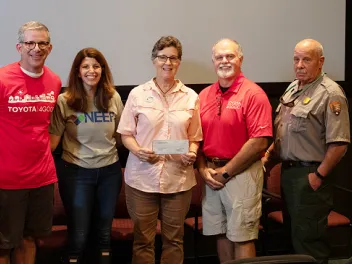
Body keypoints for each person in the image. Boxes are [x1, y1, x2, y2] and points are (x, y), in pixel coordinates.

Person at [117, 36, 202, 264]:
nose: (168, 62)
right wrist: (137, 150)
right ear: (154, 60)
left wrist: (192, 152)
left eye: (173, 58)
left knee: (174, 240)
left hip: (179, 179)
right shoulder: (137, 94)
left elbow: (195, 138)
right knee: (143, 240)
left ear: (179, 62)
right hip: (142, 178)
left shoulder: (191, 97)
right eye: (163, 57)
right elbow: (126, 134)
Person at [264, 39, 350, 264]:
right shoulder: (294, 87)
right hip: (289, 174)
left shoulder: (331, 93)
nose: (299, 65)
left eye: (306, 59)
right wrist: (269, 158)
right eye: (296, 59)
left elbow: (339, 144)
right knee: (293, 240)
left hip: (310, 175)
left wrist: (318, 176)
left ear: (320, 62)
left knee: (309, 242)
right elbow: (285, 132)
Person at [197, 38, 272, 263]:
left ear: (240, 59)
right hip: (211, 175)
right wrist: (202, 169)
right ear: (213, 61)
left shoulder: (253, 94)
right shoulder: (204, 96)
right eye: (219, 57)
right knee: (220, 232)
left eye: (230, 56)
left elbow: (260, 141)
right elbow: (196, 139)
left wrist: (227, 171)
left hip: (241, 174)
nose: (224, 61)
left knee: (242, 236)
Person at [49, 48, 124, 264]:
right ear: (78, 72)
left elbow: (122, 136)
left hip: (110, 172)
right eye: (85, 66)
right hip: (75, 174)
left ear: (103, 70)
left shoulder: (113, 97)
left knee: (104, 235)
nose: (91, 70)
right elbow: (53, 142)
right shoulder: (65, 100)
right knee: (79, 235)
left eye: (96, 66)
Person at [0, 21, 61, 264]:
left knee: (30, 239)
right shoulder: (3, 79)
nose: (36, 48)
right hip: (6, 180)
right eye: (30, 43)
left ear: (50, 47)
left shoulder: (54, 81)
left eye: (42, 43)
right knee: (3, 246)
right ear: (19, 47)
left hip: (42, 178)